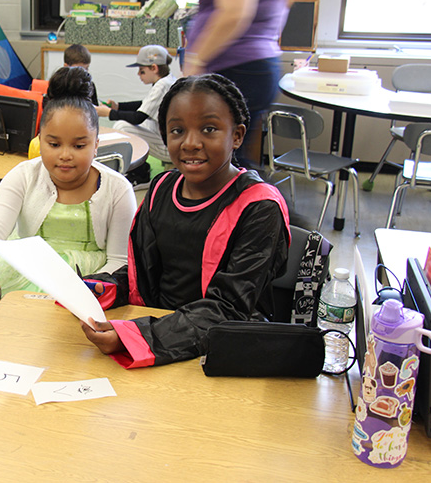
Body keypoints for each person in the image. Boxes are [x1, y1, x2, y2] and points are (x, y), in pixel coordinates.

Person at [81, 74, 290, 368]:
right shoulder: (161, 189)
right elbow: (144, 274)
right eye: (177, 130)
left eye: (209, 129)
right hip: (162, 335)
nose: (190, 143)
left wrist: (135, 336)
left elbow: (229, 308)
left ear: (238, 135)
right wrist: (98, 289)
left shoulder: (259, 207)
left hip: (223, 351)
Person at [0, 67, 137, 308]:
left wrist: (83, 289)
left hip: (88, 281)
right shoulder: (23, 176)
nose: (65, 155)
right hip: (26, 272)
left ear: (95, 145)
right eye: (54, 143)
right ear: (39, 139)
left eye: (79, 146)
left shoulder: (118, 190)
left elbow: (119, 260)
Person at [182, 0, 290, 168]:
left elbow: (234, 13)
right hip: (255, 66)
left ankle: (270, 201)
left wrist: (195, 60)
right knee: (230, 160)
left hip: (236, 69)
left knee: (224, 164)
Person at [95, 44, 176, 179]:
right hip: (165, 135)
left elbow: (138, 117)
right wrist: (118, 106)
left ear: (154, 68)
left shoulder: (162, 85)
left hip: (167, 146)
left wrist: (108, 113)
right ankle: (140, 168)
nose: (138, 74)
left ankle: (138, 173)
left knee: (122, 126)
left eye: (141, 70)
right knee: (125, 125)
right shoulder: (167, 80)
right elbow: (144, 104)